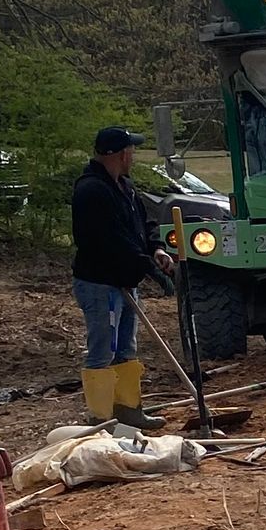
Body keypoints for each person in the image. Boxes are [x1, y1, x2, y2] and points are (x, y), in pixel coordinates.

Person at [71, 126, 174, 422]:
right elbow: (111, 240)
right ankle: (101, 420)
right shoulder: (91, 191)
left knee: (126, 348)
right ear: (119, 154)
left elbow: (142, 226)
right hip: (100, 283)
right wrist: (148, 268)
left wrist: (155, 249)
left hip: (124, 280)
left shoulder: (124, 187)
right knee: (103, 349)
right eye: (130, 149)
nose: (133, 155)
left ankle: (128, 411)